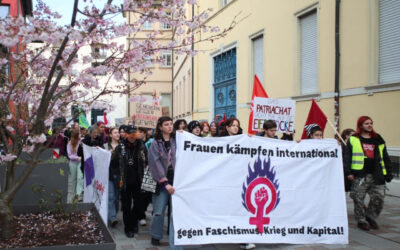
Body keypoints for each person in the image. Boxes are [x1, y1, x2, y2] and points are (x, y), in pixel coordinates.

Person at [343, 116, 393, 231]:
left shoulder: (378, 138)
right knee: (358, 198)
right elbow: (347, 156)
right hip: (360, 174)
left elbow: (385, 156)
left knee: (379, 197)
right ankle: (361, 220)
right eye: (366, 123)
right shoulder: (354, 139)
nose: (369, 125)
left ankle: (370, 216)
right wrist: (348, 172)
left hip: (377, 174)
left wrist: (388, 172)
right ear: (360, 125)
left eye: (371, 123)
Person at [219, 117, 256, 250]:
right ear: (227, 127)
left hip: (240, 180)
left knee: (242, 209)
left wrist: (254, 139)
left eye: (237, 125)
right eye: (233, 125)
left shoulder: (243, 139)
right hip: (225, 182)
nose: (235, 127)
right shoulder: (220, 141)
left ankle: (244, 239)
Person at [148, 116, 182, 250]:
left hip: (177, 181)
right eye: (166, 124)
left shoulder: (177, 141)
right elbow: (155, 164)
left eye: (171, 124)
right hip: (161, 183)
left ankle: (175, 238)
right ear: (160, 127)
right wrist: (164, 183)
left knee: (176, 212)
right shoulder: (155, 144)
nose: (169, 126)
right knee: (159, 211)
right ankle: (156, 235)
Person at [119, 124, 147, 238]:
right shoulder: (121, 147)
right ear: (125, 134)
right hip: (125, 181)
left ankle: (134, 223)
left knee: (138, 205)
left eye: (133, 133)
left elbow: (148, 160)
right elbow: (115, 163)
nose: (132, 136)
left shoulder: (141, 146)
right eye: (129, 134)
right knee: (126, 206)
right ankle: (128, 228)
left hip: (138, 181)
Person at [104, 127, 121, 227]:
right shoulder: (106, 146)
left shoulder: (122, 146)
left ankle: (113, 212)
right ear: (110, 135)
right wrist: (107, 154)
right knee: (111, 195)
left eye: (118, 132)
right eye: (115, 132)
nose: (118, 134)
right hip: (109, 174)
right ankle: (112, 216)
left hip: (120, 174)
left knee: (117, 196)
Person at [137, 127, 153, 226]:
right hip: (139, 172)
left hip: (150, 171)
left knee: (148, 195)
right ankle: (141, 215)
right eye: (138, 132)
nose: (139, 134)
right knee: (141, 195)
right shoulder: (136, 143)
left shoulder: (152, 142)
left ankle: (143, 211)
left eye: (141, 132)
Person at [66, 129, 83, 200]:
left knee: (80, 177)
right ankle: (72, 194)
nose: (81, 135)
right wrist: (77, 158)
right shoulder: (69, 143)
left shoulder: (81, 142)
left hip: (80, 162)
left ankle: (78, 194)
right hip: (73, 163)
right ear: (76, 135)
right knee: (73, 179)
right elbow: (69, 155)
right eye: (79, 134)